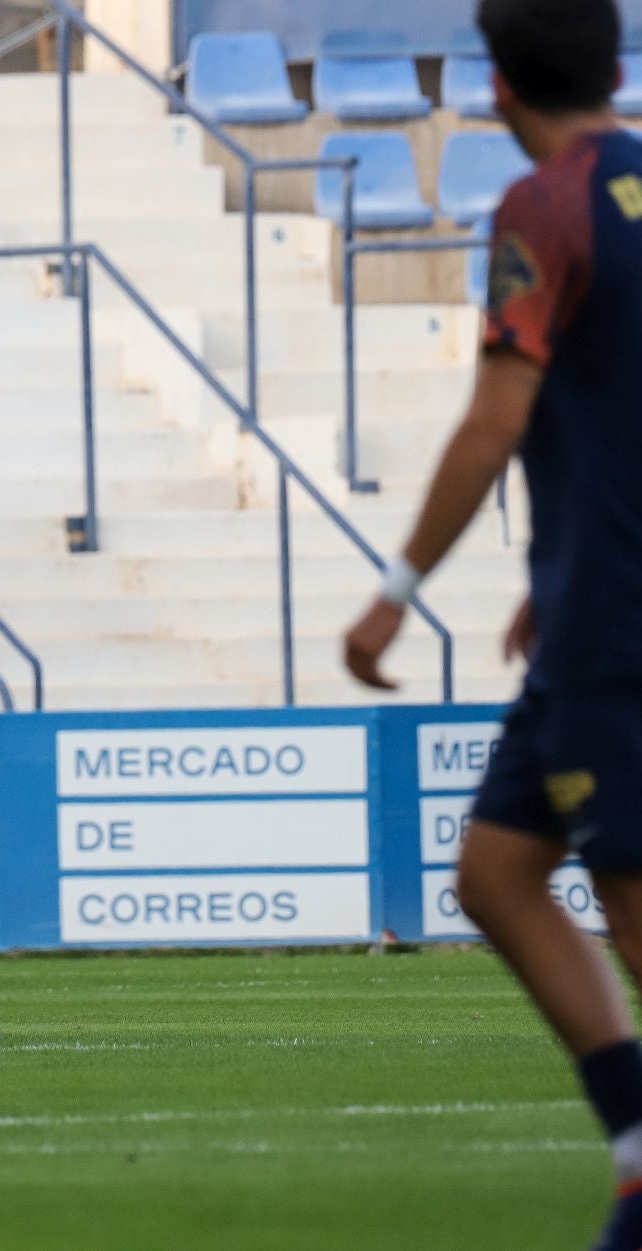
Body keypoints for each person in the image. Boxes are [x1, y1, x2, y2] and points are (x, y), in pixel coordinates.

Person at [344, 2, 642, 1243]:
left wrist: (394, 593)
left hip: (617, 627)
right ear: (617, 67)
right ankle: (636, 1150)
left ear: (498, 86)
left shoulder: (546, 205)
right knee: (498, 872)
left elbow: (493, 421)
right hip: (589, 599)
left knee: (630, 901)